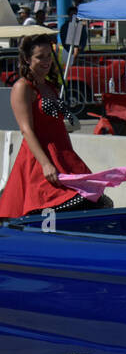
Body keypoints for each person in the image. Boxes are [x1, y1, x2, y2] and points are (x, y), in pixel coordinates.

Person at [0, 35, 100, 220]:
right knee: (56, 207)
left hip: (63, 155)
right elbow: (26, 130)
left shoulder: (50, 86)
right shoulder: (23, 87)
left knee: (95, 200)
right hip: (39, 159)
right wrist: (46, 164)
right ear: (27, 59)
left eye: (48, 55)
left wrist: (70, 156)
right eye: (40, 57)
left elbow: (59, 127)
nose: (46, 61)